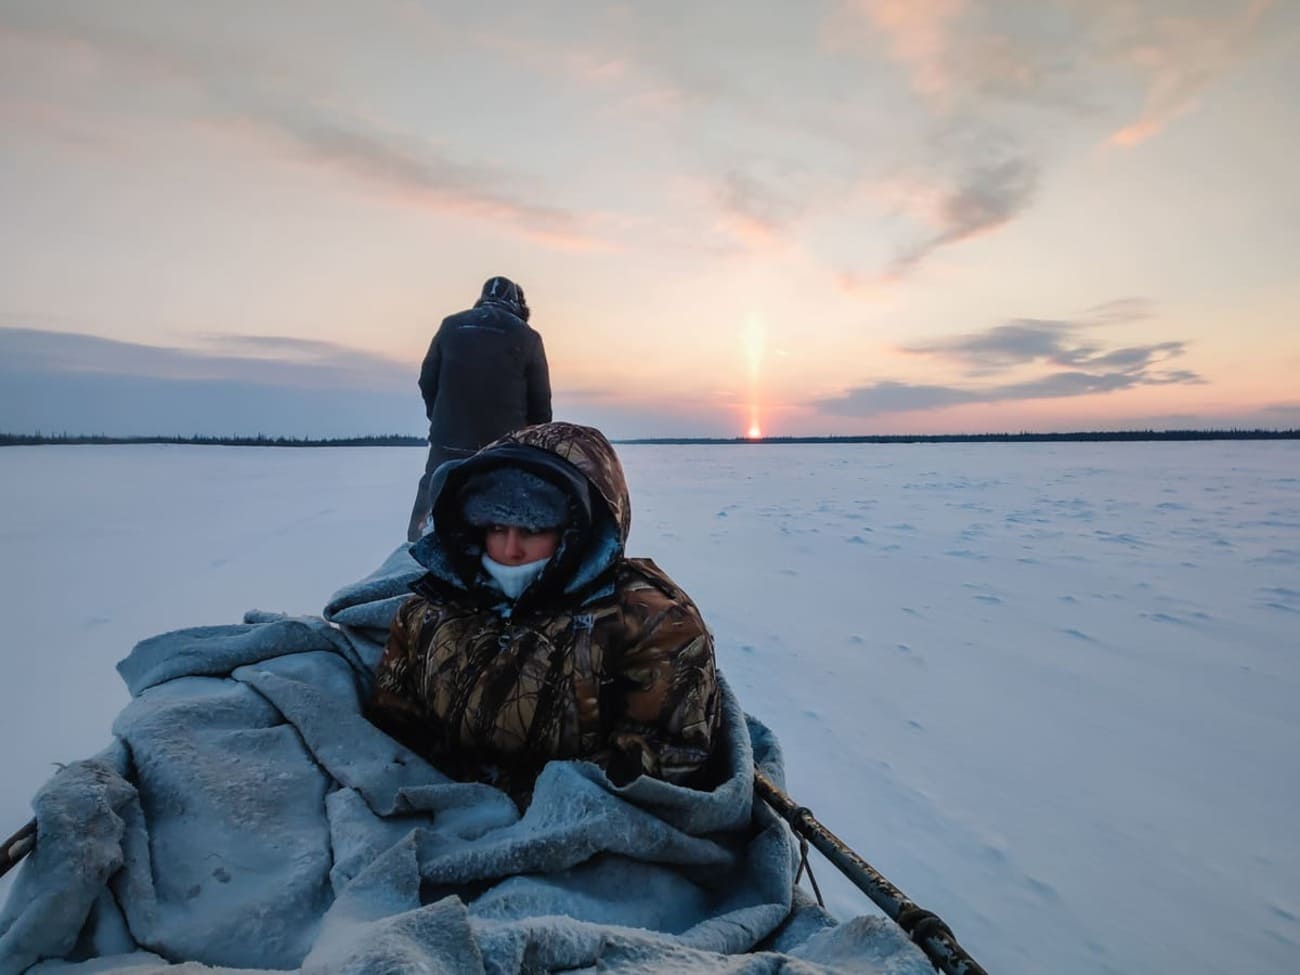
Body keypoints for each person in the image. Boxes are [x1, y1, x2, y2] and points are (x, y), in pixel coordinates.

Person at [371, 421, 721, 806]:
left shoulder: (650, 623)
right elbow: (394, 719)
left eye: (533, 530)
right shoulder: (429, 609)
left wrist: (507, 799)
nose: (510, 549)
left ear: (578, 530)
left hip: (575, 822)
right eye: (496, 526)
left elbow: (666, 761)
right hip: (439, 807)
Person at [406, 275, 552, 542]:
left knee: (430, 506)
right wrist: (530, 443)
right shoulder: (528, 337)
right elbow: (541, 404)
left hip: (447, 443)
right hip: (503, 449)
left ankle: (414, 561)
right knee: (498, 522)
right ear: (519, 305)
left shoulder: (450, 327)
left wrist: (440, 418)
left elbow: (427, 380)